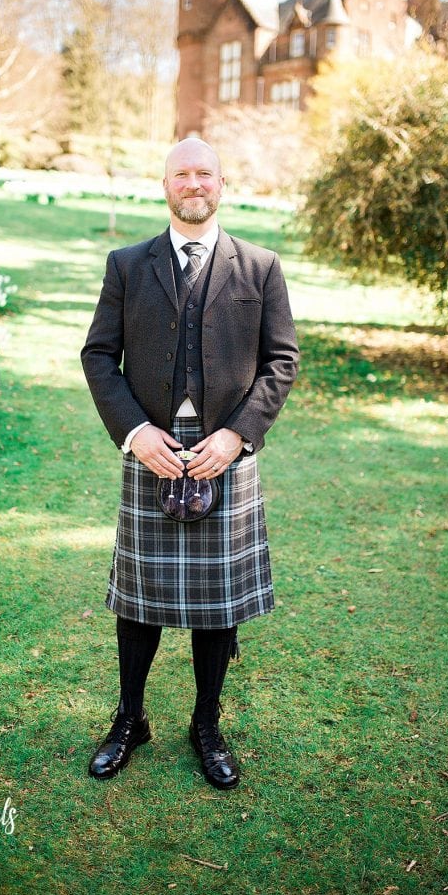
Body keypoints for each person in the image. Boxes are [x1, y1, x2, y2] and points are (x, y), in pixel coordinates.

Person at [80, 138, 299, 790]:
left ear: (222, 182)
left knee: (217, 599)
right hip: (151, 442)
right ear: (166, 184)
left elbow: (280, 362)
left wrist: (237, 437)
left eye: (204, 172)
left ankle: (206, 722)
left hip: (222, 448)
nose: (193, 182)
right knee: (139, 596)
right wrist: (133, 430)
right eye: (182, 173)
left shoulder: (259, 267)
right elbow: (98, 355)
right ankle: (129, 719)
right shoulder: (127, 264)